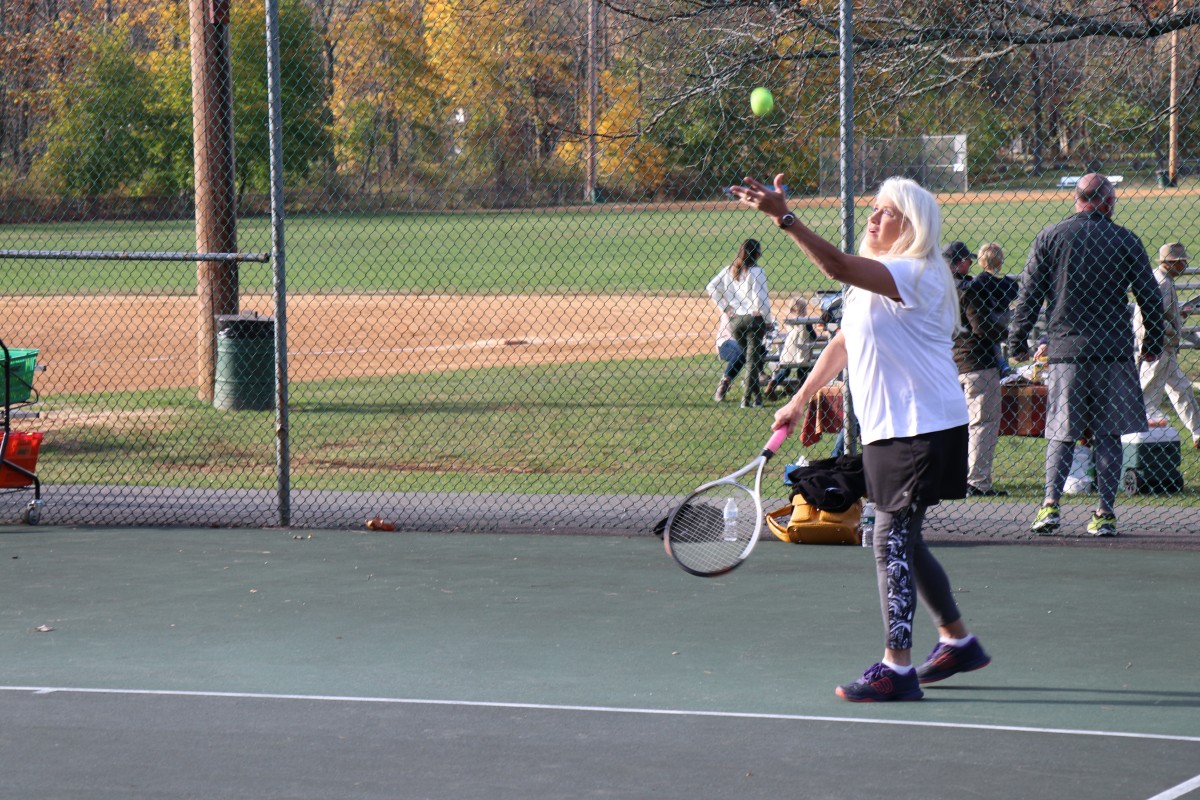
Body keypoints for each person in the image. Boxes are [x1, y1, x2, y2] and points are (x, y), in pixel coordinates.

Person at [730, 173, 990, 703]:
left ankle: (897, 667)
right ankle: (957, 641)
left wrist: (785, 218)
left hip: (921, 429)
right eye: (873, 208)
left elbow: (835, 265)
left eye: (886, 212)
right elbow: (844, 342)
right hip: (895, 430)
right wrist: (800, 398)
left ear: (911, 226)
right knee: (904, 538)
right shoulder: (877, 282)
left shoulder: (916, 272)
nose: (873, 217)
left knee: (888, 538)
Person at [1007, 173, 1165, 537]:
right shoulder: (1125, 239)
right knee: (1109, 434)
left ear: (1076, 199)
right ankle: (1104, 512)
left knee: (1061, 432)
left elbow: (1028, 295)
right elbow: (1149, 298)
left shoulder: (1051, 236)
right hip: (1113, 350)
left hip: (1066, 351)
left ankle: (1050, 506)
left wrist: (1018, 343)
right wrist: (1152, 342)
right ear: (1108, 202)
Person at [946, 241, 1008, 497]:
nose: (970, 264)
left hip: (948, 363)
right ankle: (978, 482)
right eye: (967, 261)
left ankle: (952, 478)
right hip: (977, 362)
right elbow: (981, 326)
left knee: (954, 425)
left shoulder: (935, 288)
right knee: (983, 423)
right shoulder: (969, 290)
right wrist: (1007, 331)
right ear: (959, 262)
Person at [1135, 243, 1200, 447]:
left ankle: (1198, 431)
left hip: (1164, 347)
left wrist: (1177, 315)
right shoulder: (1162, 283)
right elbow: (1152, 318)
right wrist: (1174, 328)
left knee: (1182, 390)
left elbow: (1161, 312)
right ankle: (1138, 438)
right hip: (1157, 346)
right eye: (1182, 262)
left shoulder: (1160, 279)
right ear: (1172, 263)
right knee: (1148, 393)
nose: (1184, 265)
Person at [706, 238, 773, 407]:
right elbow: (761, 299)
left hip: (735, 322)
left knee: (750, 358)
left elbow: (711, 287)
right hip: (752, 319)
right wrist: (767, 321)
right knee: (750, 359)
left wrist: (726, 307)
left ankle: (756, 399)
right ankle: (747, 400)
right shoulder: (757, 271)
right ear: (757, 254)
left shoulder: (730, 270)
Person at [764, 297, 825, 401]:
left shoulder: (790, 321)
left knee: (785, 371)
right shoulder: (806, 322)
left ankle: (773, 383)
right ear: (804, 310)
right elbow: (813, 336)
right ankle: (801, 391)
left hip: (789, 351)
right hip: (801, 352)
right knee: (803, 370)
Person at [974, 243, 1019, 377]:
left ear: (981, 261)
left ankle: (1001, 364)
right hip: (1005, 315)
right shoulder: (1009, 283)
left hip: (990, 315)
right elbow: (1015, 297)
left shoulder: (981, 280)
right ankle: (1003, 363)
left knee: (993, 344)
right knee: (998, 342)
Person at [714, 311, 745, 394]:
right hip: (725, 342)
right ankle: (725, 381)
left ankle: (760, 374)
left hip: (744, 344)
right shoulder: (730, 307)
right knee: (741, 351)